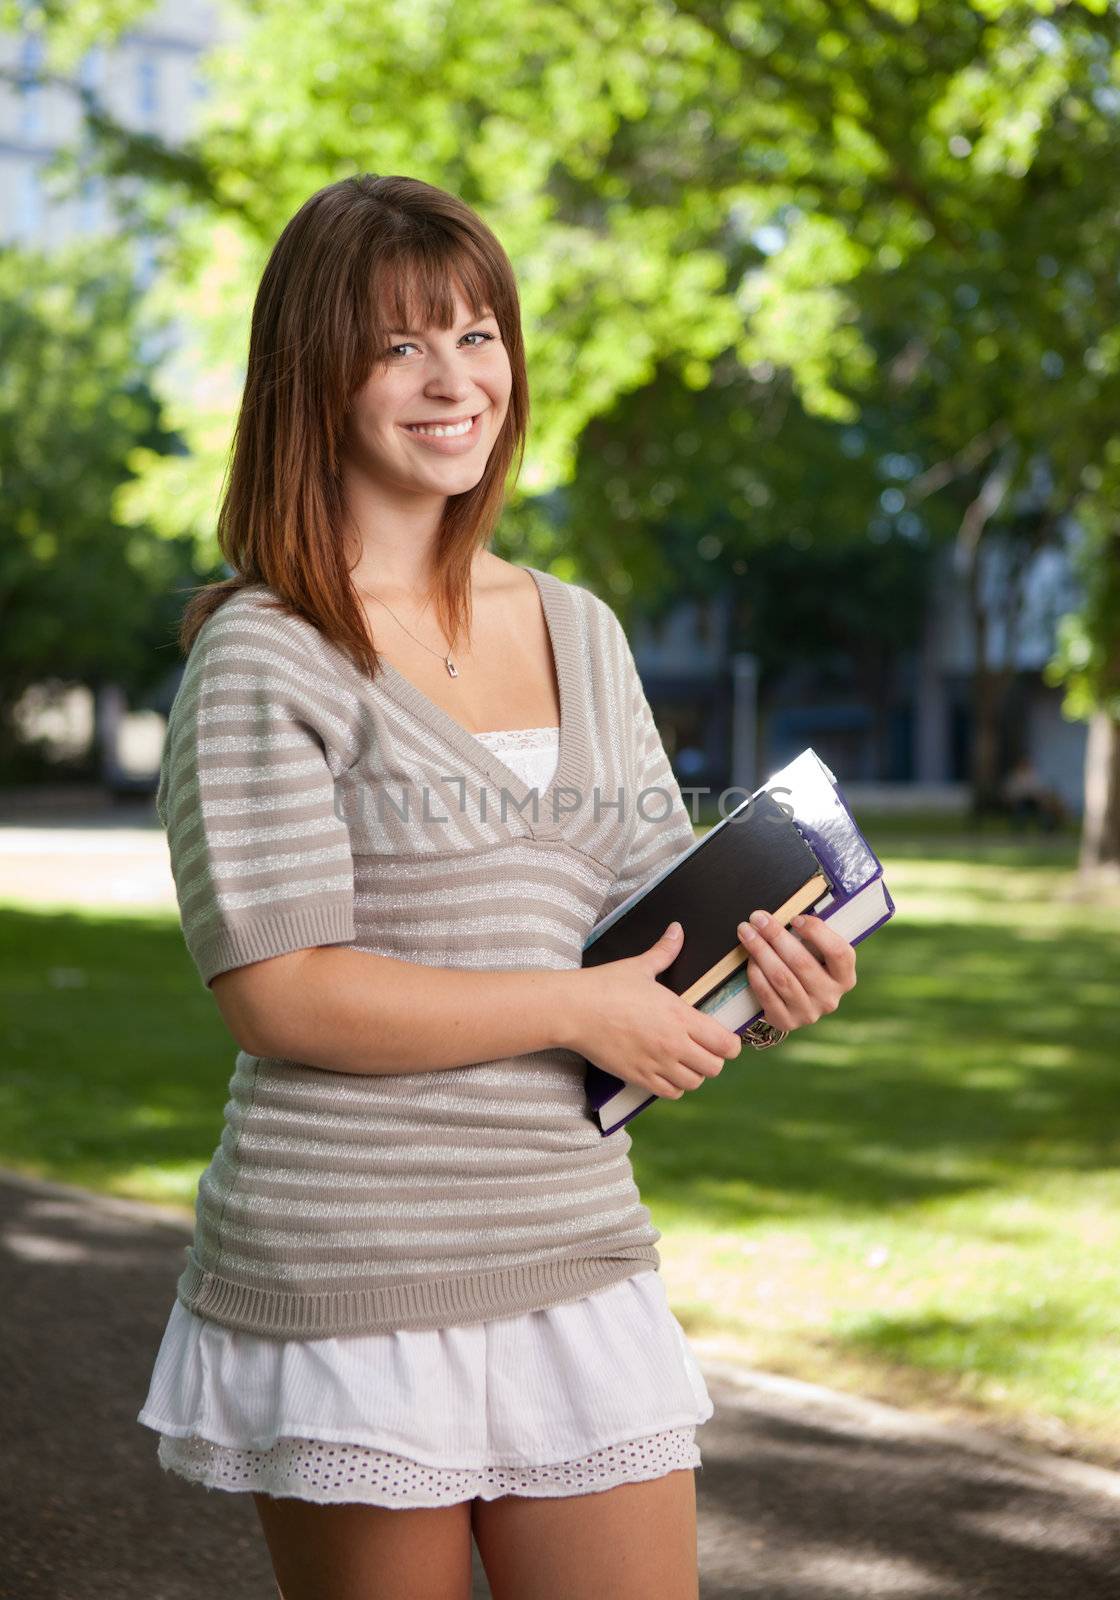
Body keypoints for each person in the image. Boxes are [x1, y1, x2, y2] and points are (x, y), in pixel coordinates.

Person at [135, 173, 858, 1600]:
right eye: (400, 344)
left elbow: (653, 943)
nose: (454, 379)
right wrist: (576, 1006)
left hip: (576, 1247)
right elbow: (280, 994)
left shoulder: (579, 629)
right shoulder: (265, 654)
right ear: (312, 377)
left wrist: (770, 987)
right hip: (355, 1271)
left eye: (478, 334)